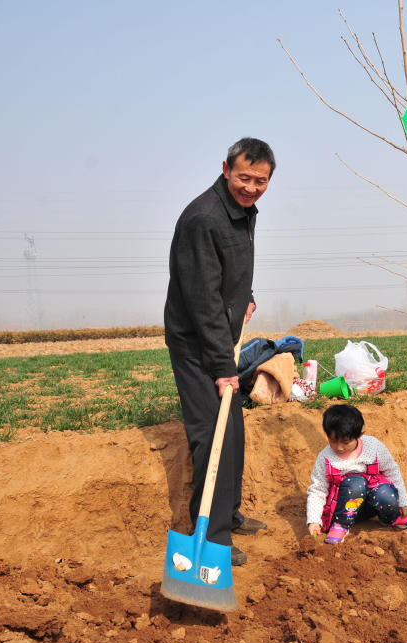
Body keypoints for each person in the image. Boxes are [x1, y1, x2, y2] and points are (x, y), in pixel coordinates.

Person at [164, 137, 276, 567]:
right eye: (244, 178)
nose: (251, 187)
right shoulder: (204, 218)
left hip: (220, 332)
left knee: (232, 428)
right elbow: (202, 298)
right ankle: (211, 538)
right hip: (197, 341)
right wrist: (221, 366)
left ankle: (227, 514)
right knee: (210, 434)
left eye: (261, 181)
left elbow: (229, 271)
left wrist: (245, 295)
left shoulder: (241, 211)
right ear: (226, 168)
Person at [307, 404, 407, 544]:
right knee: (355, 483)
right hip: (343, 507)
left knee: (385, 493)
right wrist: (314, 520)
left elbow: (392, 471)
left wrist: (403, 501)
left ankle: (390, 517)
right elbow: (318, 490)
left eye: (345, 442)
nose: (339, 447)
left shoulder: (373, 446)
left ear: (360, 435)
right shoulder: (325, 457)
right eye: (333, 440)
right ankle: (341, 525)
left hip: (372, 505)